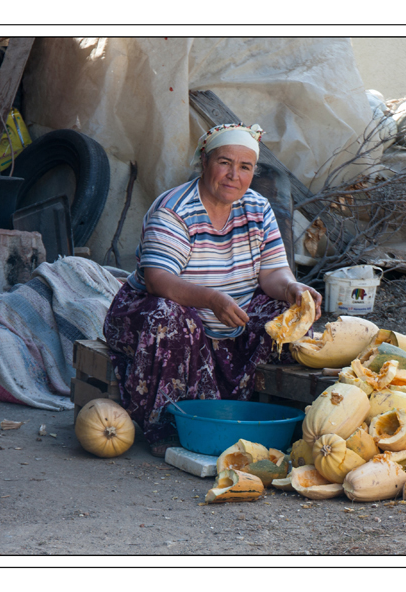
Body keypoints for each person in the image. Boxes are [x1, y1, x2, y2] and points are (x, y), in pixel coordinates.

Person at [103, 123, 322, 456]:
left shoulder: (258, 209)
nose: (234, 174)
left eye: (245, 167)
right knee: (168, 316)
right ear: (204, 163)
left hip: (229, 316)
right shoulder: (175, 210)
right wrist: (212, 299)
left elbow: (273, 273)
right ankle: (165, 426)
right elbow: (157, 280)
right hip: (158, 314)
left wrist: (293, 289)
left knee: (284, 312)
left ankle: (258, 411)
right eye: (224, 162)